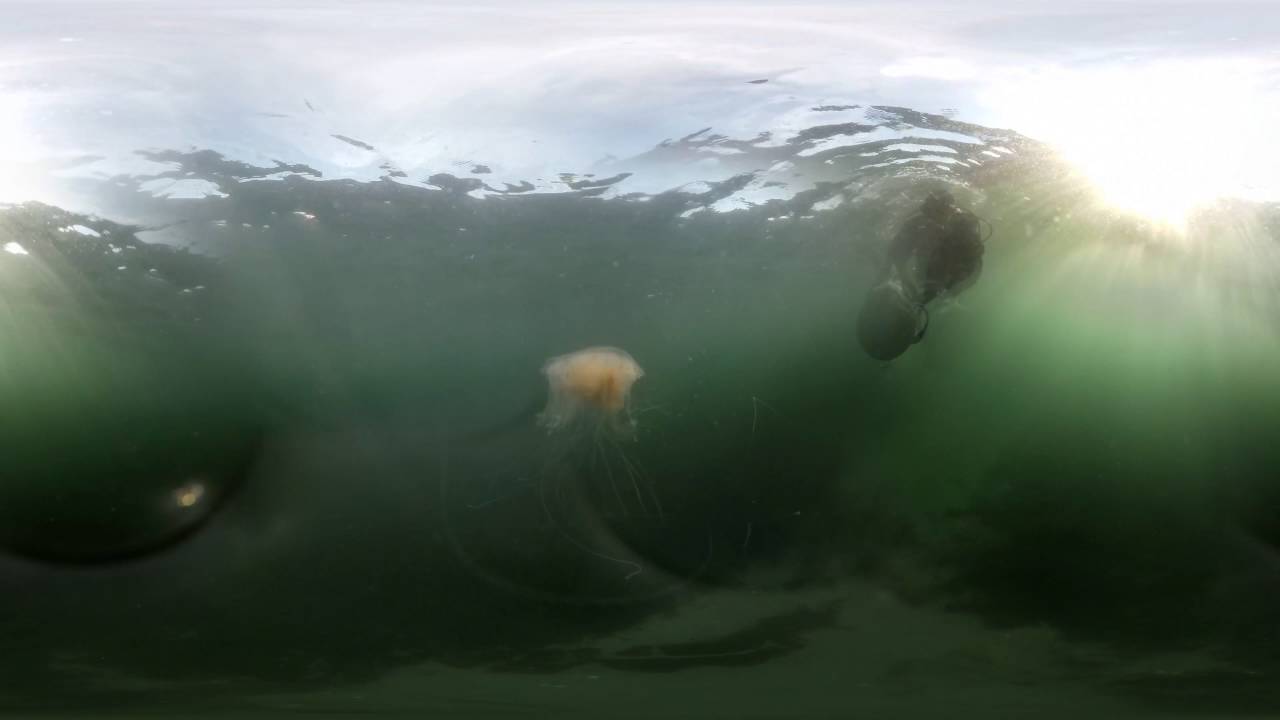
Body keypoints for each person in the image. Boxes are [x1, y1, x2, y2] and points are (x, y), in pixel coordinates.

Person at [857, 190, 986, 361]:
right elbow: (895, 256)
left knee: (936, 294)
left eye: (939, 217)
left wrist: (936, 294)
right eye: (931, 215)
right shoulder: (918, 225)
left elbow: (964, 275)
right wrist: (899, 277)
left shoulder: (963, 243)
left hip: (948, 278)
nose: (934, 223)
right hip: (933, 276)